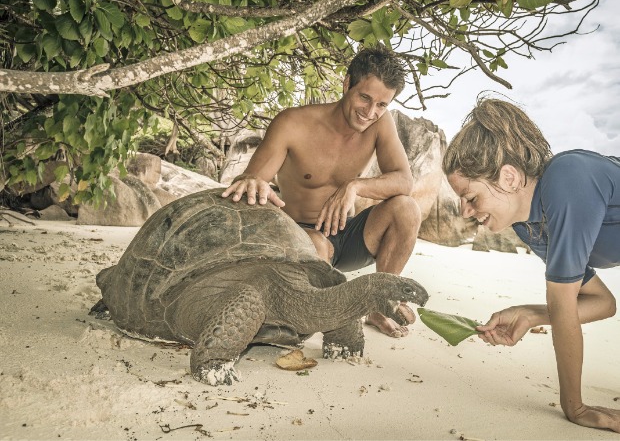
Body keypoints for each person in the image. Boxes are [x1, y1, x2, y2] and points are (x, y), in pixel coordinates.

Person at [442, 97, 620, 433]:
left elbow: (563, 304)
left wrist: (576, 409)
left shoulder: (568, 179)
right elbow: (602, 303)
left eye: (471, 197)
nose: (465, 212)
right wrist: (530, 313)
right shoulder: (531, 226)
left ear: (509, 177)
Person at [222, 46, 422, 338]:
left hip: (348, 236)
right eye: (364, 97)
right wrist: (253, 182)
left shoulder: (380, 123)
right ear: (347, 84)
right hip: (302, 238)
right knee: (316, 247)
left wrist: (354, 186)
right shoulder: (293, 123)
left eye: (381, 105)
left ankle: (379, 306)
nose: (370, 112)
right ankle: (317, 312)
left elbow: (405, 181)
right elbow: (253, 178)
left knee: (407, 208)